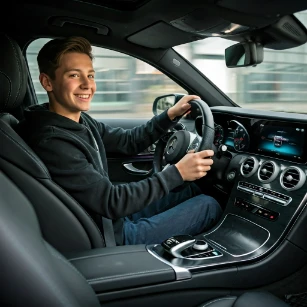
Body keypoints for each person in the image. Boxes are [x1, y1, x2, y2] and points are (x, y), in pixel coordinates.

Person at [17, 36, 222, 246]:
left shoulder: (77, 121)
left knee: (192, 190)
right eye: (74, 75)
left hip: (110, 220)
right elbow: (111, 201)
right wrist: (177, 172)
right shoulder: (53, 142)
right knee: (209, 205)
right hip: (110, 236)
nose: (87, 85)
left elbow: (128, 141)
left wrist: (170, 115)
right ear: (47, 82)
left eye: (90, 75)